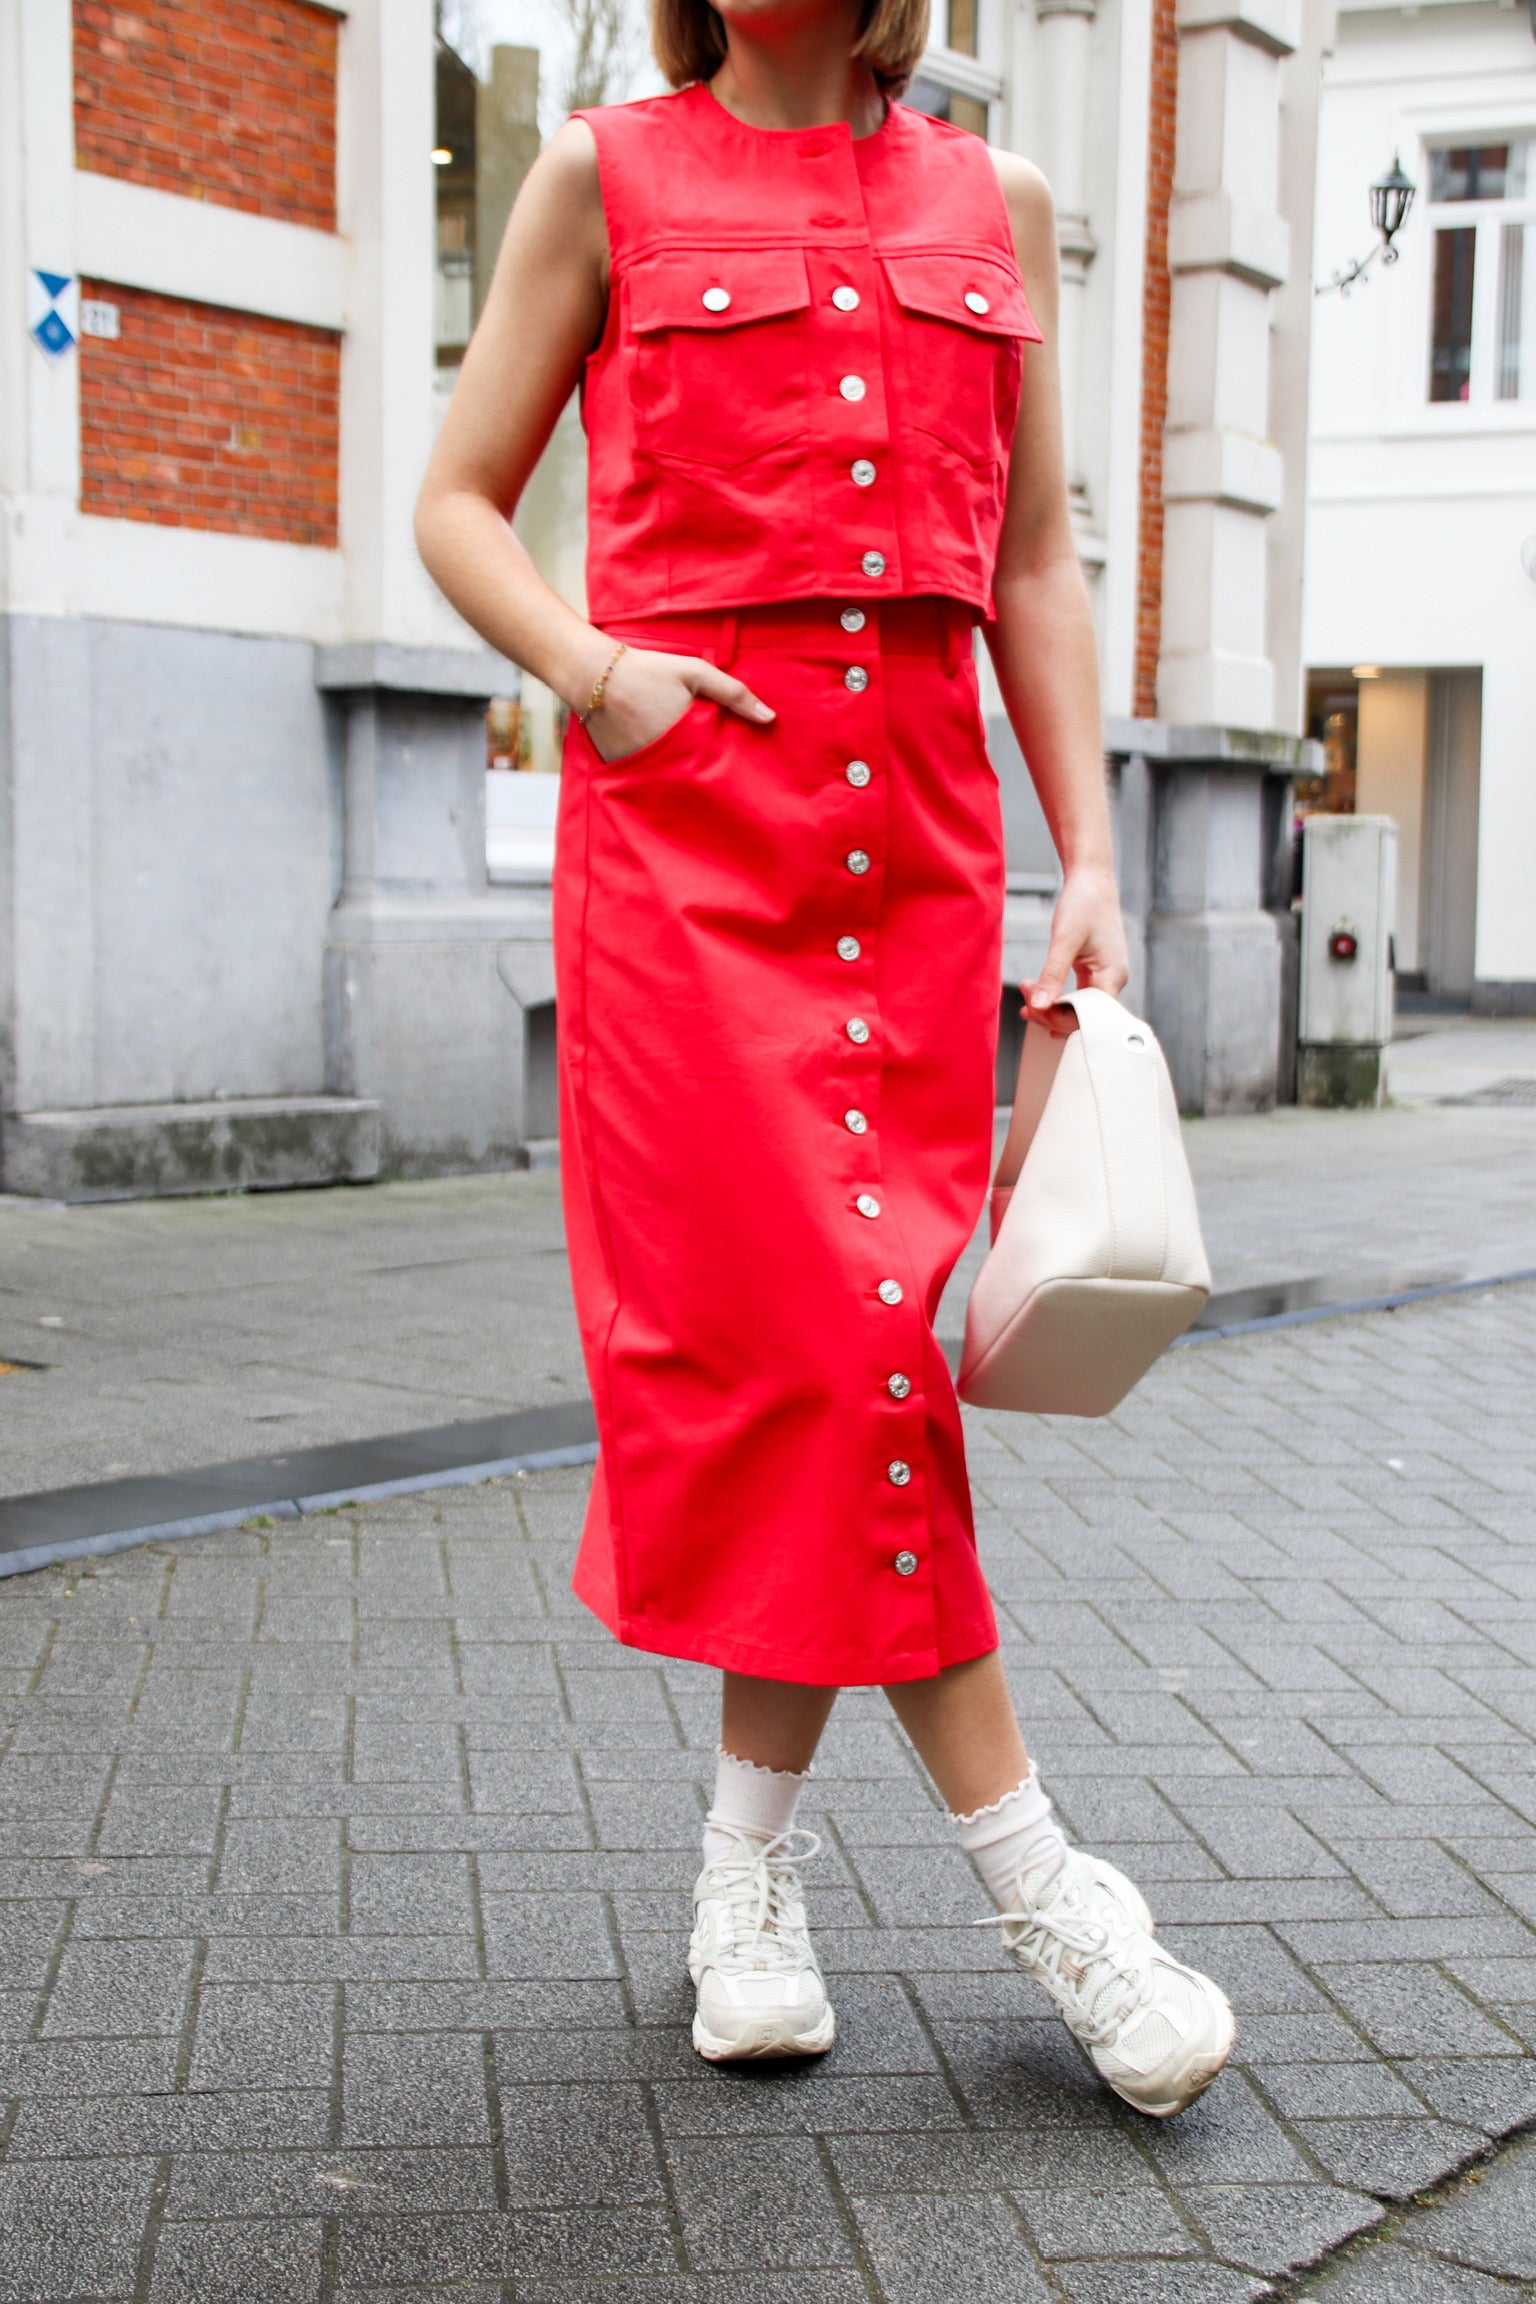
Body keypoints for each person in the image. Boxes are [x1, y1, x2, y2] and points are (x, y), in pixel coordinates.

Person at [415, 0, 1235, 2119]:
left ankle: (741, 1883)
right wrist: (594, 676)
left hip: (923, 865)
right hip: (689, 866)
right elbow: (454, 503)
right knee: (840, 1353)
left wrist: (1091, 861)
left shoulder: (1002, 200)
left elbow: (1037, 559)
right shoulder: (606, 170)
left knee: (851, 1353)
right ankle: (1045, 1885)